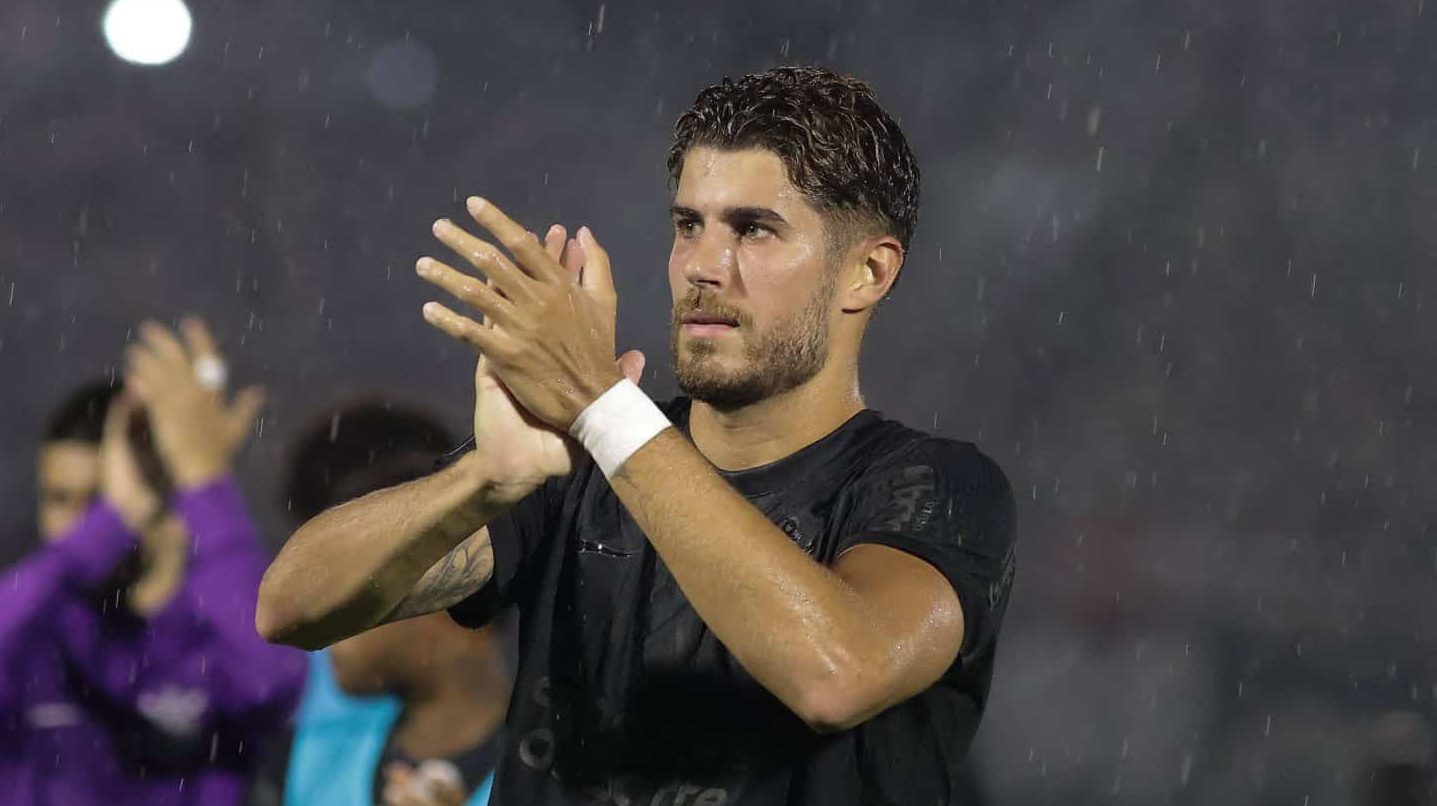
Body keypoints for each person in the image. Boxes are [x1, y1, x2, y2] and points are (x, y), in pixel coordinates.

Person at [258, 66, 1017, 805]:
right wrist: (483, 477)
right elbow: (291, 608)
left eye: (754, 229)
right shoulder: (576, 461)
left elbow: (835, 674)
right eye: (689, 226)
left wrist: (602, 403)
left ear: (868, 273)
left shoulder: (939, 487)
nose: (703, 266)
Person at [1, 317, 306, 805]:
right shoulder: (36, 637)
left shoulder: (212, 636)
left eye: (101, 500)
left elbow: (280, 681)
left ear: (169, 500)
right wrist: (113, 520)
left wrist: (204, 481)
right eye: (59, 498)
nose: (81, 527)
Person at [247, 402, 509, 806]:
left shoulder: (573, 773)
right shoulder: (307, 755)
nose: (323, 625)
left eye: (349, 596)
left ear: (444, 586)